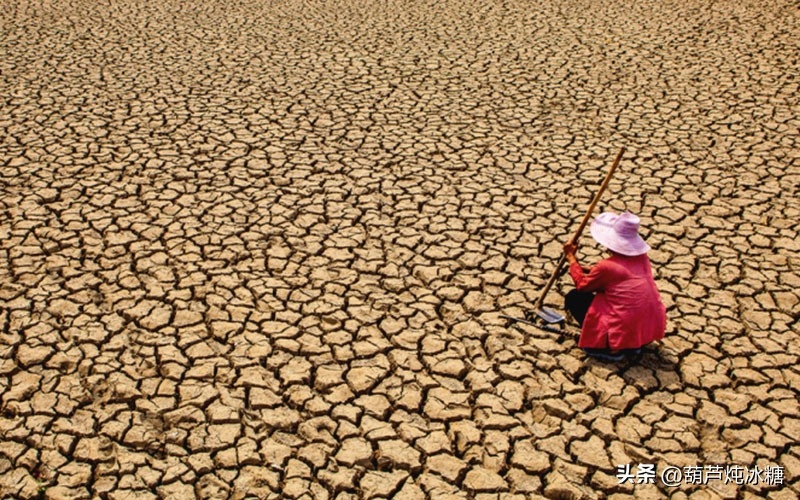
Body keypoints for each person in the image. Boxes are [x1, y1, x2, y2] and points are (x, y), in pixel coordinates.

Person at [562, 211, 666, 361]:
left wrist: (571, 259)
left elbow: (582, 286)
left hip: (623, 326)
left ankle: (609, 348)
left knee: (575, 297)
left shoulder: (606, 267)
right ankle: (634, 344)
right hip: (646, 326)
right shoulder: (642, 259)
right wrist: (588, 269)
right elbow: (623, 276)